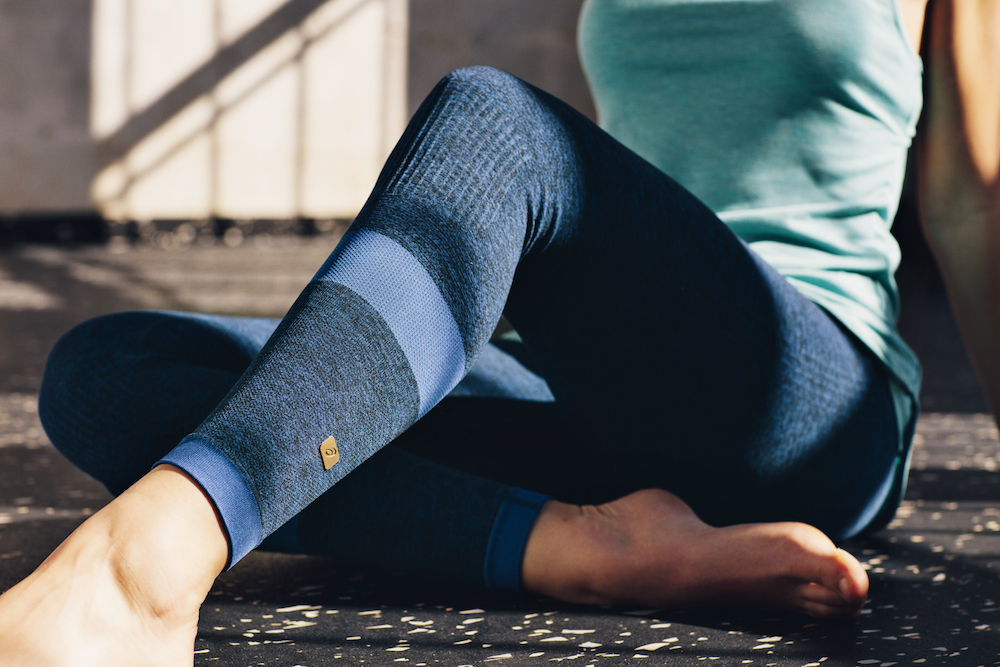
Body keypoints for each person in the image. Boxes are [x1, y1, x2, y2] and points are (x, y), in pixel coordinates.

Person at [1, 0, 998, 664]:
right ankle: (584, 547)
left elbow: (971, 201)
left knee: (498, 123)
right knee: (106, 371)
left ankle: (142, 572)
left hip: (813, 402)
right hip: (601, 387)